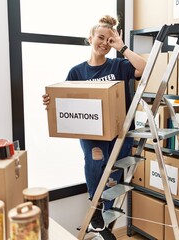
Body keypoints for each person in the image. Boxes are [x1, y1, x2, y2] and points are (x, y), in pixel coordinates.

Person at [42, 15, 146, 240]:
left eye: (109, 40)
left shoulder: (119, 65)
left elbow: (145, 69)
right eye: (100, 37)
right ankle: (97, 213)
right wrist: (50, 103)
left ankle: (104, 224)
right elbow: (65, 101)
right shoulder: (77, 72)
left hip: (120, 133)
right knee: (95, 165)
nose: (104, 43)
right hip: (92, 135)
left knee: (113, 176)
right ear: (89, 38)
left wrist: (122, 47)